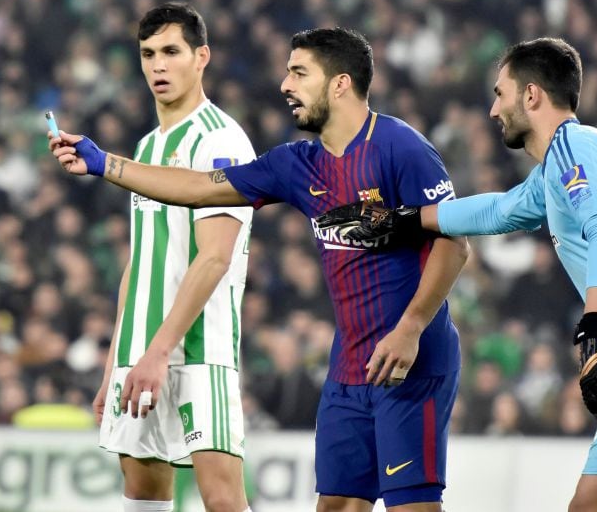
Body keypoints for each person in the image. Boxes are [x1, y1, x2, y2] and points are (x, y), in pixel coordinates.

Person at [315, 38, 597, 512]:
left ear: (532, 95)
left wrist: (592, 331)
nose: (492, 109)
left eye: (500, 94)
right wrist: (407, 219)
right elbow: (502, 210)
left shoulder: (574, 147)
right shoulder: (557, 170)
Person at [50, 27, 468, 512]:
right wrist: (104, 164)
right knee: (336, 505)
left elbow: (454, 245)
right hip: (350, 365)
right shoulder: (297, 164)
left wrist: (410, 328)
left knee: (411, 507)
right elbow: (200, 187)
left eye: (298, 73)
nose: (285, 85)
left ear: (340, 83)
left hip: (413, 361)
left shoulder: (401, 147)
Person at [78, 2, 255, 512]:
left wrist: (159, 351)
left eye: (171, 52)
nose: (158, 65)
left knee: (222, 500)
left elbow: (214, 257)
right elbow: (142, 260)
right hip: (140, 351)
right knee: (144, 494)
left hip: (200, 350)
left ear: (202, 57)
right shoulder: (146, 147)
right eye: (148, 54)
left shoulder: (222, 140)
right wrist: (118, 359)